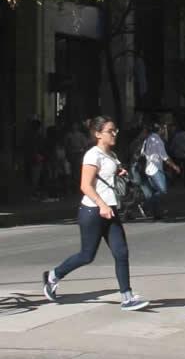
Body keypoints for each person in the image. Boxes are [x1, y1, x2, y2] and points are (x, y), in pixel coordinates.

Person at [41, 116, 149, 311]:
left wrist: (119, 173)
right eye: (110, 131)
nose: (114, 133)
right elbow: (85, 185)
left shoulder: (111, 155)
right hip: (92, 210)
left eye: (115, 130)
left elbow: (106, 176)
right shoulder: (93, 155)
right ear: (98, 134)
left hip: (110, 209)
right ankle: (53, 276)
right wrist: (102, 205)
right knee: (87, 255)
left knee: (121, 252)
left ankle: (127, 297)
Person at [142, 123, 181, 220]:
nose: (164, 131)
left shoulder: (147, 139)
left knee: (156, 191)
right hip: (155, 169)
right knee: (162, 190)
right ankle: (145, 205)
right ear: (160, 130)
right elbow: (164, 157)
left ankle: (157, 213)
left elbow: (142, 153)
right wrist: (174, 166)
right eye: (164, 129)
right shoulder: (158, 140)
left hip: (148, 168)